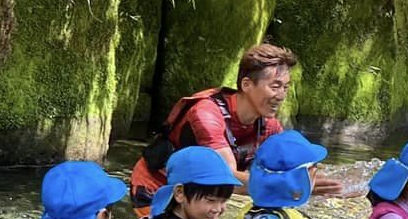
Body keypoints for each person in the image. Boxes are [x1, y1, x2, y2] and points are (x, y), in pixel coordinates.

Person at [135, 43, 341, 201]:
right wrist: (290, 186)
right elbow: (227, 179)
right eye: (275, 86)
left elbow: (292, 168)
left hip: (199, 196)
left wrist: (319, 182)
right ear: (247, 84)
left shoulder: (269, 126)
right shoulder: (207, 114)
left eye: (286, 87)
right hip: (155, 186)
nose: (281, 95)